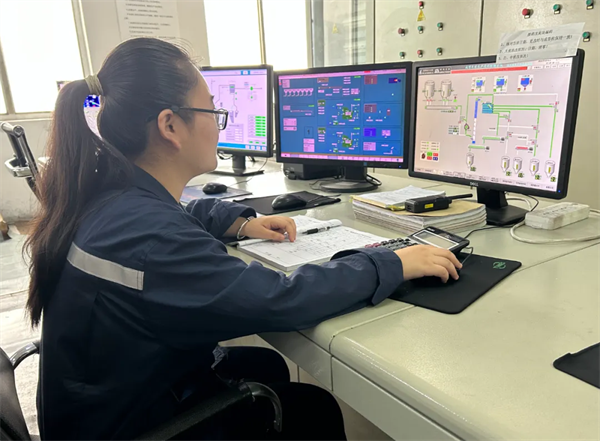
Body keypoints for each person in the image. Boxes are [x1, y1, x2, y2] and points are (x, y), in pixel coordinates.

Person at [25, 38, 461, 441]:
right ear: (170, 125)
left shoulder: (110, 193)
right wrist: (390, 262)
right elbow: (279, 299)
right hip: (132, 426)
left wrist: (240, 222)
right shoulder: (150, 236)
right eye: (212, 112)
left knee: (265, 363)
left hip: (105, 401)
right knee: (313, 409)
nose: (219, 124)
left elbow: (179, 216)